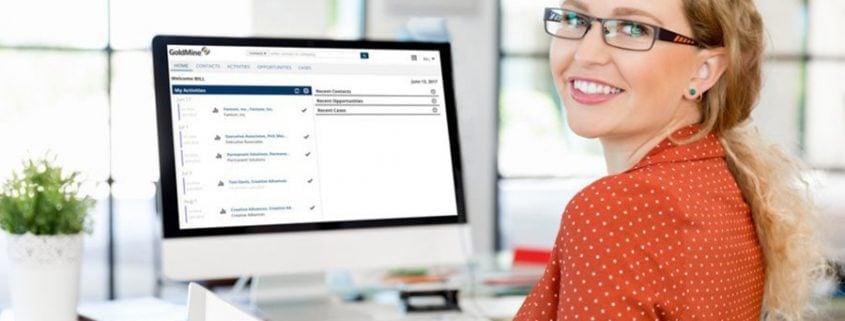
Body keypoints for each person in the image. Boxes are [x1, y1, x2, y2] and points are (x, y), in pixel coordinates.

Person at [514, 0, 829, 320]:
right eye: (574, 18)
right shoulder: (725, 181)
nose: (585, 53)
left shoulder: (618, 208)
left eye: (633, 29)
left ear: (703, 70)